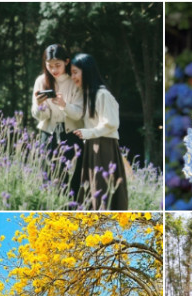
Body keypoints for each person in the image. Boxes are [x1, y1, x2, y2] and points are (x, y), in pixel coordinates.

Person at [71, 53, 129, 210]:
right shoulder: (89, 94)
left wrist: (88, 133)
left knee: (101, 190)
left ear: (87, 71)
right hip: (93, 146)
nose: (73, 76)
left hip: (104, 147)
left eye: (75, 72)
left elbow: (111, 123)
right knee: (92, 190)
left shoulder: (103, 94)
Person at [31, 43, 85, 199]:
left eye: (57, 65)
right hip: (48, 133)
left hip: (72, 134)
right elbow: (37, 115)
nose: (53, 70)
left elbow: (79, 115)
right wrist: (41, 106)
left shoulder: (75, 80)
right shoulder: (41, 81)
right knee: (48, 179)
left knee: (72, 182)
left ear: (67, 62)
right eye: (49, 66)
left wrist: (64, 105)